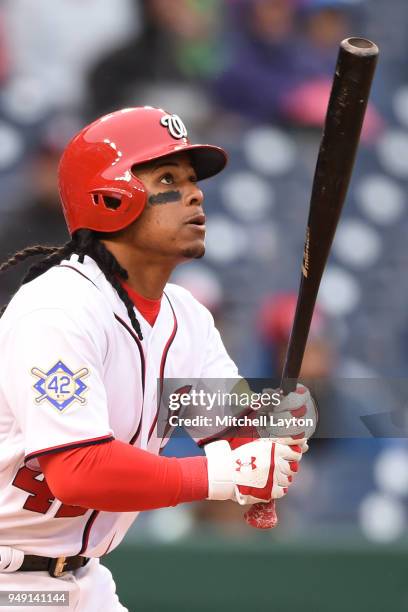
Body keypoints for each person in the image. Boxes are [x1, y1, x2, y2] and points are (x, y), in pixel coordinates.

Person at [0, 107, 315, 610]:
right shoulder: (56, 308)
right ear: (107, 197)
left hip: (84, 581)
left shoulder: (185, 316)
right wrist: (224, 475)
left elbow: (234, 429)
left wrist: (273, 437)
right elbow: (78, 468)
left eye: (193, 180)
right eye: (167, 178)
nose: (195, 194)